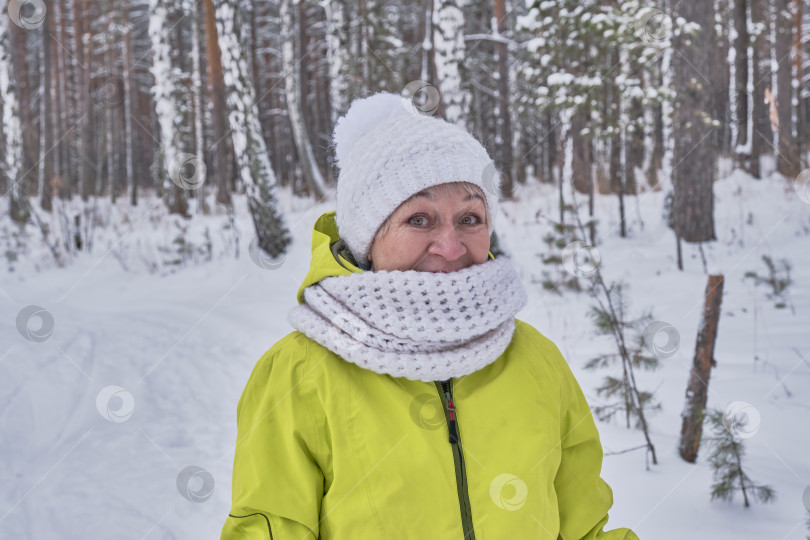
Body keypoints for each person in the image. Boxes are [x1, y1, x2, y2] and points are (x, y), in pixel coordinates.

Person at [220, 93, 640, 540]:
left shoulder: (536, 360)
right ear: (367, 238)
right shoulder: (298, 374)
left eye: (470, 217)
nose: (451, 245)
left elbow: (584, 530)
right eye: (419, 219)